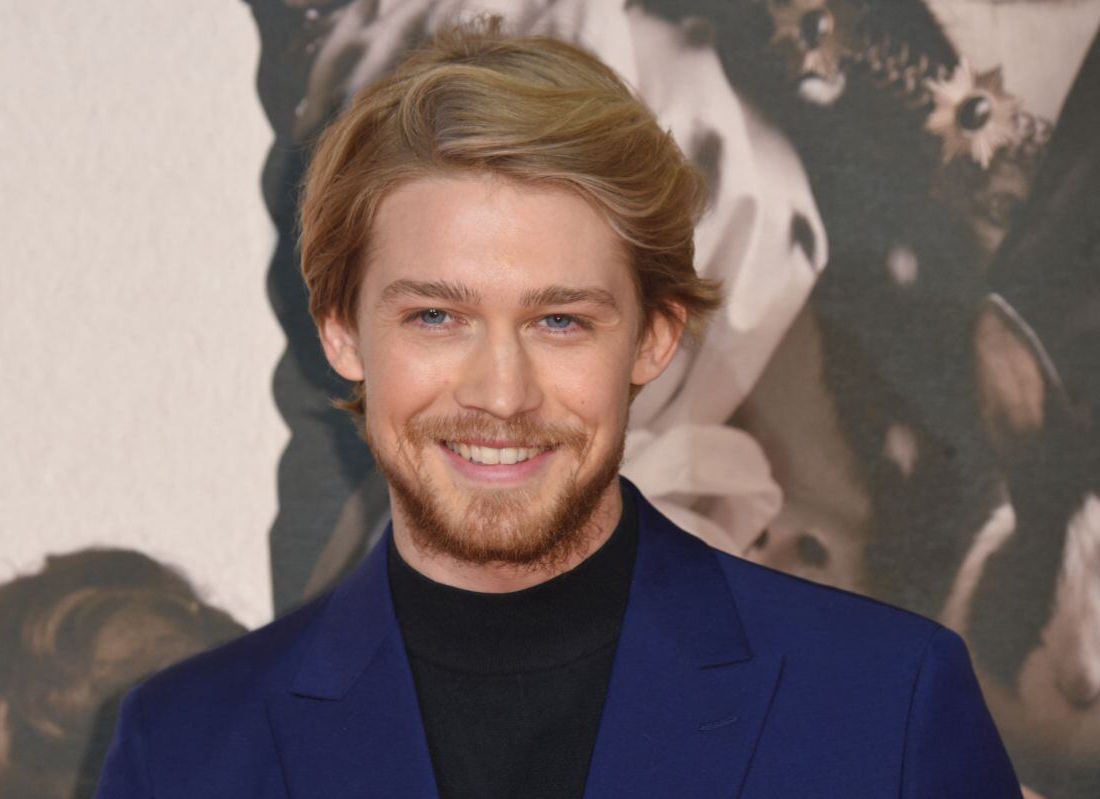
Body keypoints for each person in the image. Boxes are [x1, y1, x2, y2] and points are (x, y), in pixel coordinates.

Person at [96, 17, 1022, 799]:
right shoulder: (183, 751)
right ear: (341, 333)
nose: (502, 394)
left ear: (654, 338)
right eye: (436, 316)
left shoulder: (886, 708)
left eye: (560, 321)